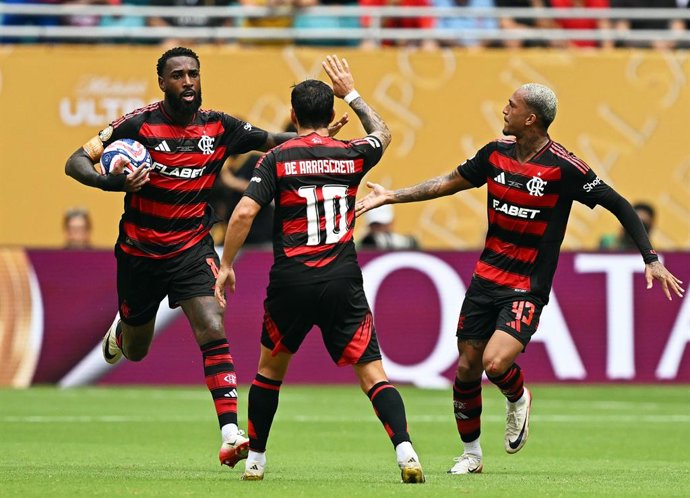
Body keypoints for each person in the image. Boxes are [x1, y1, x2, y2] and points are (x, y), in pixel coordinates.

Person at [354, 83, 685, 475]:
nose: (503, 109)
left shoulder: (565, 167)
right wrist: (393, 196)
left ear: (531, 118)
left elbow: (619, 204)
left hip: (526, 286)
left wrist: (650, 257)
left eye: (511, 105)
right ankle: (471, 455)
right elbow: (448, 182)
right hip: (485, 278)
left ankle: (517, 396)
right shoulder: (495, 153)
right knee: (466, 369)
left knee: (495, 364)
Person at [64, 46, 348, 472]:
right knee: (137, 350)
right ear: (162, 82)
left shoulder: (220, 126)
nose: (188, 83)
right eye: (178, 75)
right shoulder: (137, 125)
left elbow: (271, 140)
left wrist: (314, 140)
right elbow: (74, 162)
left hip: (193, 247)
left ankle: (230, 432)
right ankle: (123, 330)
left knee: (213, 324)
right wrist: (111, 181)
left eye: (193, 74)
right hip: (141, 252)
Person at [214, 55, 425, 483]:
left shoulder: (275, 159)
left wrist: (227, 265)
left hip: (291, 279)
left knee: (269, 373)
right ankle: (406, 453)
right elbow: (383, 133)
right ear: (332, 115)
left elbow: (242, 215)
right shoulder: (351, 155)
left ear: (292, 115)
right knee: (372, 374)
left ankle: (255, 460)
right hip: (341, 279)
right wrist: (353, 92)